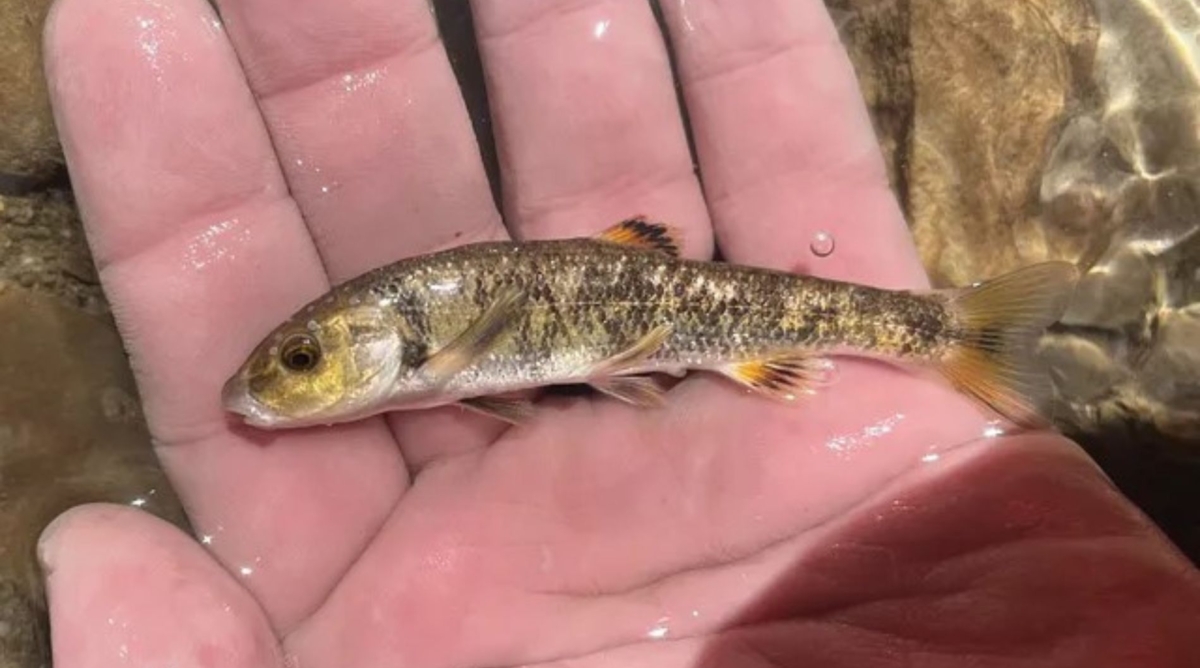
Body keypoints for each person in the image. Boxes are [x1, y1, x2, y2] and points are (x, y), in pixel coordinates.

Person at [37, 0, 1200, 665]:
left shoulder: (425, 346)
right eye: (296, 356)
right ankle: (937, 335)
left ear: (371, 344)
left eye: (300, 359)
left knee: (770, 330)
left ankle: (943, 335)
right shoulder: (422, 358)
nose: (277, 379)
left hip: (677, 316)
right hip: (655, 315)